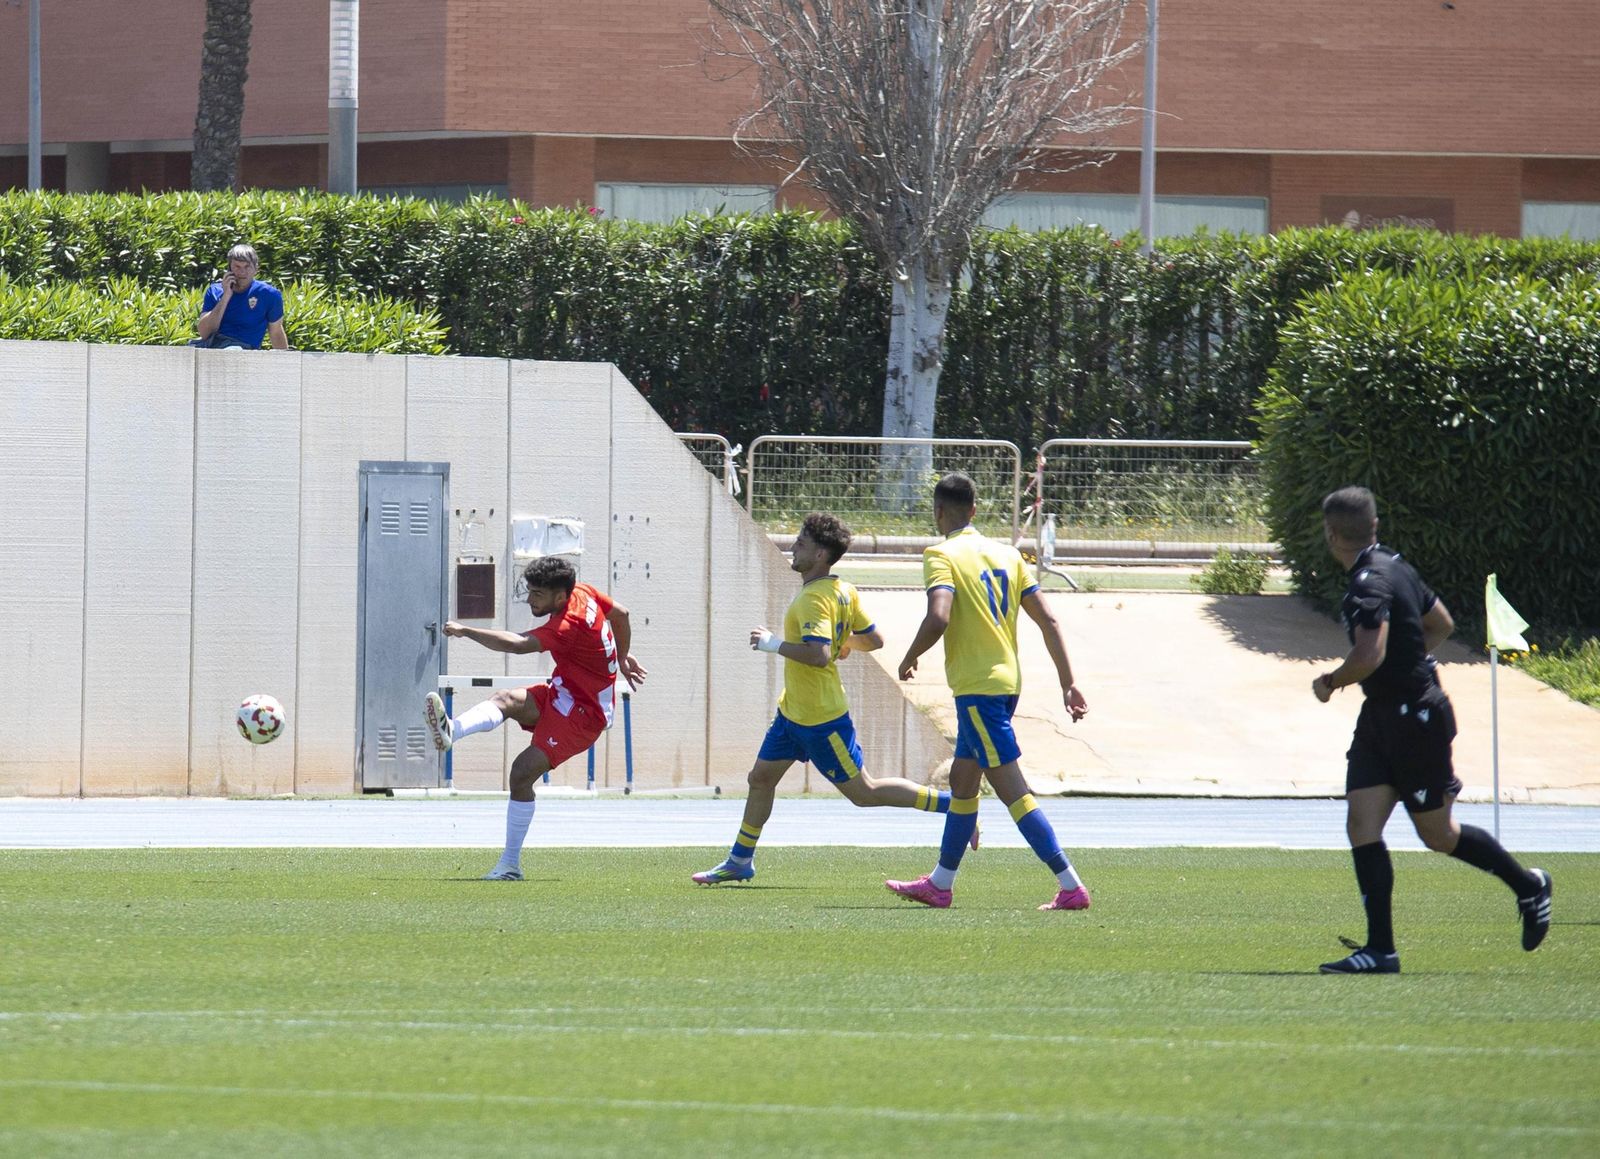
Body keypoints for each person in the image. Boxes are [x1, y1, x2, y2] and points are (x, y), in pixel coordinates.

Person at [1312, 485, 1552, 973]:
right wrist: (1409, 658)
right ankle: (1381, 950)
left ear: (1331, 533)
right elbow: (1441, 622)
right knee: (1362, 823)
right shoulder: (1395, 566)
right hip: (1382, 715)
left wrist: (1332, 681)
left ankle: (1529, 885)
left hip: (1414, 717)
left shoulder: (1368, 583)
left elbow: (1369, 654)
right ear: (1373, 527)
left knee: (1438, 835)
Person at [692, 512, 967, 885]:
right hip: (793, 714)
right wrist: (844, 642)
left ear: (821, 555)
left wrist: (773, 644)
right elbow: (873, 640)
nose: (794, 547)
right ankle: (740, 860)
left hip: (822, 720)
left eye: (802, 543)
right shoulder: (843, 589)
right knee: (760, 778)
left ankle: (955, 806)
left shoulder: (814, 601)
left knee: (864, 792)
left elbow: (818, 655)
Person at [885, 472, 1091, 911]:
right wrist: (1068, 683)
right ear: (975, 510)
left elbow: (939, 616)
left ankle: (1070, 885)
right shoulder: (1009, 556)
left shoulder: (940, 554)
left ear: (939, 512)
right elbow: (1049, 620)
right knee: (963, 782)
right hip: (1006, 684)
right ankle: (940, 883)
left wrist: (910, 654)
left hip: (978, 690)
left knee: (1013, 790)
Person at [422, 556, 647, 881]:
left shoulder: (566, 625)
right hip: (564, 692)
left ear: (559, 597)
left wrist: (466, 631)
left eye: (537, 594)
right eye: (529, 591)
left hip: (585, 715)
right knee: (506, 699)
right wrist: (621, 658)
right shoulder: (582, 591)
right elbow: (622, 615)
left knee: (521, 773)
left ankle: (510, 865)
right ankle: (452, 731)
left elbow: (518, 645)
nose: (529, 600)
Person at [193, 243, 288, 350]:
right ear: (229, 268)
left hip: (244, 350)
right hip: (213, 347)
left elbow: (276, 332)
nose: (242, 272)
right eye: (237, 267)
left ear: (256, 268)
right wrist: (226, 296)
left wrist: (287, 363)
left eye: (247, 266)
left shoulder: (269, 294)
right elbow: (205, 333)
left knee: (233, 350)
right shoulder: (215, 291)